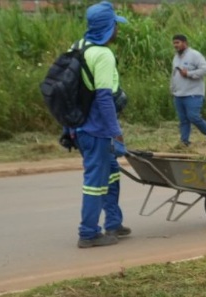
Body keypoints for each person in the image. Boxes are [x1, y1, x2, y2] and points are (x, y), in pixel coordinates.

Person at [72, 1, 129, 249]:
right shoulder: (103, 54)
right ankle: (88, 233)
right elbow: (104, 97)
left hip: (80, 126)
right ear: (108, 27)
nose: (117, 29)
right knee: (96, 182)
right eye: (115, 24)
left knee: (112, 173)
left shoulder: (79, 47)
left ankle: (113, 222)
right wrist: (116, 132)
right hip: (96, 129)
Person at [171, 34, 206, 150]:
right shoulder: (176, 57)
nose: (175, 45)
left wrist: (189, 74)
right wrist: (172, 89)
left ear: (185, 43)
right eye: (174, 43)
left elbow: (205, 70)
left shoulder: (195, 55)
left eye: (178, 42)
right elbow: (174, 75)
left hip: (193, 93)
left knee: (193, 116)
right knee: (183, 120)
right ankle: (184, 143)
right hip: (179, 94)